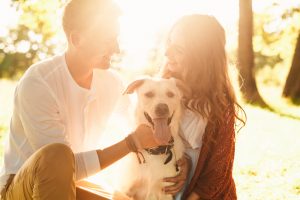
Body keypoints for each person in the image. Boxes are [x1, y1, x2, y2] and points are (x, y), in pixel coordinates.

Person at [0, 0, 189, 199]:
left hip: (77, 182)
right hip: (24, 187)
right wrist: (131, 143)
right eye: (107, 40)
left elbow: (140, 130)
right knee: (57, 154)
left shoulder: (113, 83)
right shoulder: (39, 83)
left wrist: (176, 160)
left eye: (115, 39)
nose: (116, 48)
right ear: (76, 39)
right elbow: (60, 168)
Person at [162, 14, 246, 200]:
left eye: (179, 49)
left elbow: (216, 175)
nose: (167, 53)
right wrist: (180, 159)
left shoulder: (220, 106)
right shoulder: (162, 92)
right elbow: (146, 142)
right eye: (169, 43)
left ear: (201, 58)